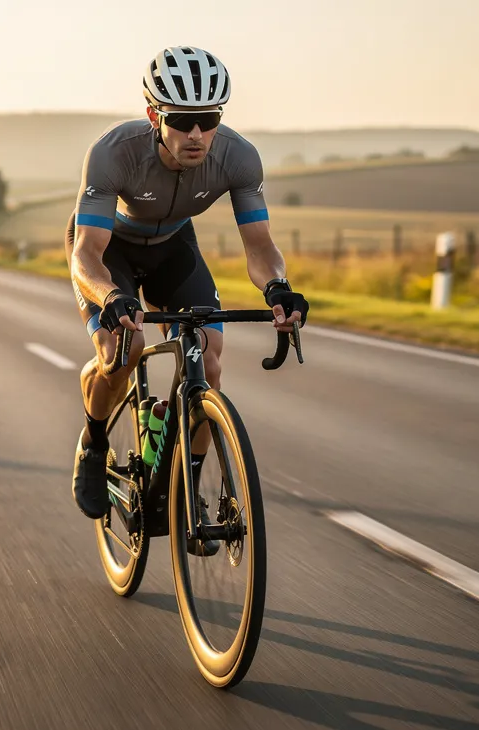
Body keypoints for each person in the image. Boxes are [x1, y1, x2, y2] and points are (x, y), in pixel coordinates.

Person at [67, 45, 309, 521]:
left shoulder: (239, 157)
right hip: (109, 248)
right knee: (125, 348)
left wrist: (278, 288)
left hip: (173, 248)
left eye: (208, 118)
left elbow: (259, 246)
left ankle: (184, 488)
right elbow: (86, 253)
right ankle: (93, 445)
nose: (196, 133)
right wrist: (112, 295)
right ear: (154, 115)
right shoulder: (114, 152)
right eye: (181, 120)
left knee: (208, 361)